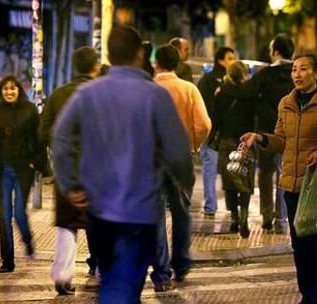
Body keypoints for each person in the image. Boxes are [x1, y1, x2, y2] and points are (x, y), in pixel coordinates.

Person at [52, 26, 194, 303]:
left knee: (114, 279)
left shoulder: (87, 94)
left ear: (109, 54)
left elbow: (60, 140)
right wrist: (183, 183)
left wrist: (71, 185)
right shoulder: (155, 96)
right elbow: (179, 154)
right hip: (139, 211)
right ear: (140, 53)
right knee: (124, 287)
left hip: (98, 209)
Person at [241, 53, 317, 304]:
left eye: (303, 69)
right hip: (291, 184)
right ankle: (309, 295)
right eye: (294, 69)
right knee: (300, 247)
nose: (296, 74)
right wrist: (260, 138)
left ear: (316, 72)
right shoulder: (285, 103)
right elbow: (281, 141)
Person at [39, 46, 101, 295]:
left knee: (68, 225)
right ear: (95, 67)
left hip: (66, 170)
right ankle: (101, 272)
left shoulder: (58, 95)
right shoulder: (100, 95)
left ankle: (63, 275)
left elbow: (43, 132)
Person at [152, 44, 211, 289]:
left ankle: (161, 272)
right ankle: (182, 263)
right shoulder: (189, 89)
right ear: (177, 64)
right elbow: (204, 124)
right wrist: (194, 144)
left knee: (155, 215)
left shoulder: (148, 89)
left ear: (156, 64)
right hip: (180, 158)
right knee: (181, 210)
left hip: (151, 160)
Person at [0, 75, 45, 273]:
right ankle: (7, 261)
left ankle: (28, 240)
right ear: (1, 91)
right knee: (4, 216)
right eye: (5, 89)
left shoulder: (29, 111)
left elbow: (39, 139)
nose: (9, 92)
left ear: (19, 90)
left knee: (19, 212)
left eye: (13, 88)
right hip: (2, 170)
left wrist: (36, 163)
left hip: (23, 170)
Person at [241, 34, 294, 234]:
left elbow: (246, 92)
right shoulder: (296, 73)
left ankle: (266, 216)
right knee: (284, 175)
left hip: (265, 132)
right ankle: (282, 220)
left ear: (275, 52)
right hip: (288, 132)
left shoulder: (265, 74)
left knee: (265, 173)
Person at [216, 61, 254, 238]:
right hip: (245, 142)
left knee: (230, 181)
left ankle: (234, 219)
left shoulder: (221, 92)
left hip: (227, 141)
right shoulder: (249, 93)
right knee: (244, 180)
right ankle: (245, 218)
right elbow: (255, 117)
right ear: (244, 74)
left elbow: (215, 118)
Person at [197, 46, 235, 217]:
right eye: (229, 58)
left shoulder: (227, 79)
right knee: (218, 168)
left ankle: (212, 206)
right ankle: (221, 206)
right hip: (217, 131)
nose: (233, 62)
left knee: (212, 168)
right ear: (220, 60)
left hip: (214, 131)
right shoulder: (214, 79)